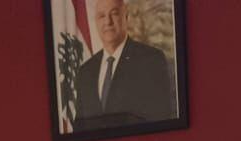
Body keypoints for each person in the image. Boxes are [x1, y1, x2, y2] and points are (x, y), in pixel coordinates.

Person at [73, 0, 175, 129]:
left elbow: (161, 119)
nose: (108, 22)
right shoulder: (85, 71)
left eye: (114, 14)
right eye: (101, 16)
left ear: (126, 17)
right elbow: (80, 129)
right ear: (96, 22)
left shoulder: (151, 60)